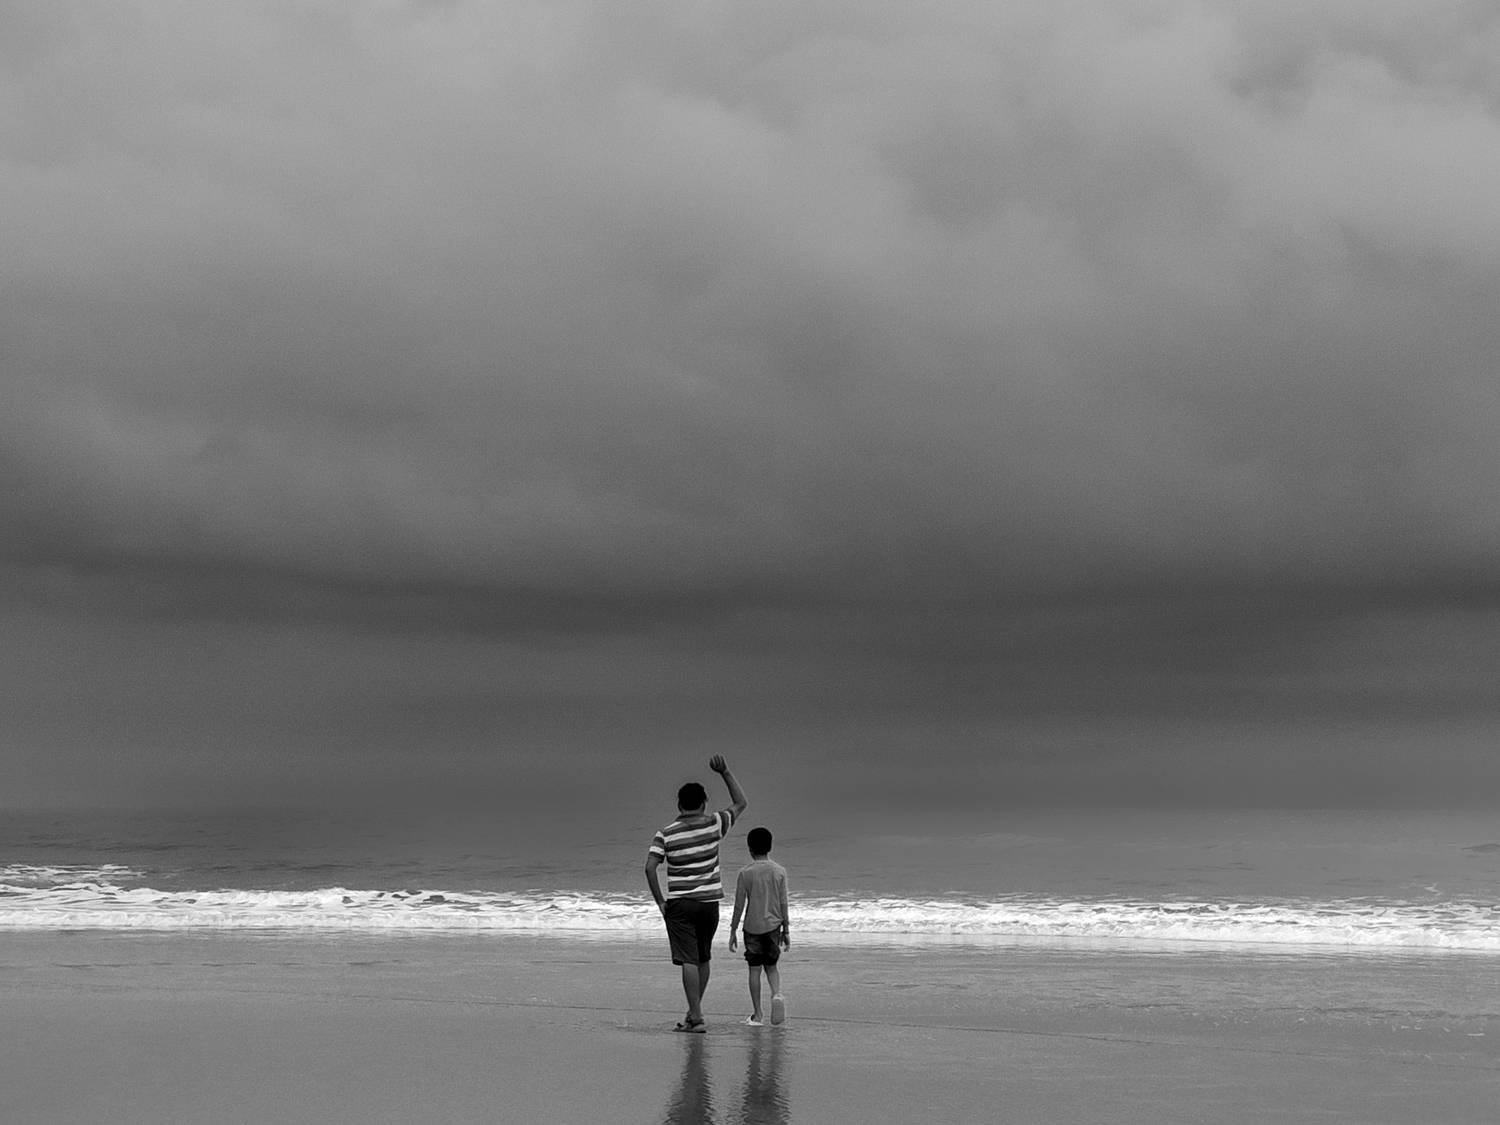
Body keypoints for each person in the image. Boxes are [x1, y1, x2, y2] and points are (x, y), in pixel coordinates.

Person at [645, 754, 748, 1032]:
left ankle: (698, 1017)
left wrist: (660, 902)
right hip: (709, 904)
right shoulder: (714, 823)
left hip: (680, 905)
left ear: (679, 805)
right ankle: (693, 1014)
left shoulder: (666, 833)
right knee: (703, 957)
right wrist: (725, 771)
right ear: (704, 804)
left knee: (688, 959)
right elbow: (741, 803)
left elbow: (650, 868)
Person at [728, 825, 790, 1026]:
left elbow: (739, 905)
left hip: (752, 928)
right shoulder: (779, 871)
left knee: (754, 970)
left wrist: (733, 930)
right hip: (773, 926)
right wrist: (786, 929)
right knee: (771, 967)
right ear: (770, 847)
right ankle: (776, 994)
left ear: (750, 849)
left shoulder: (745, 873)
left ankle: (757, 1015)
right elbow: (783, 903)